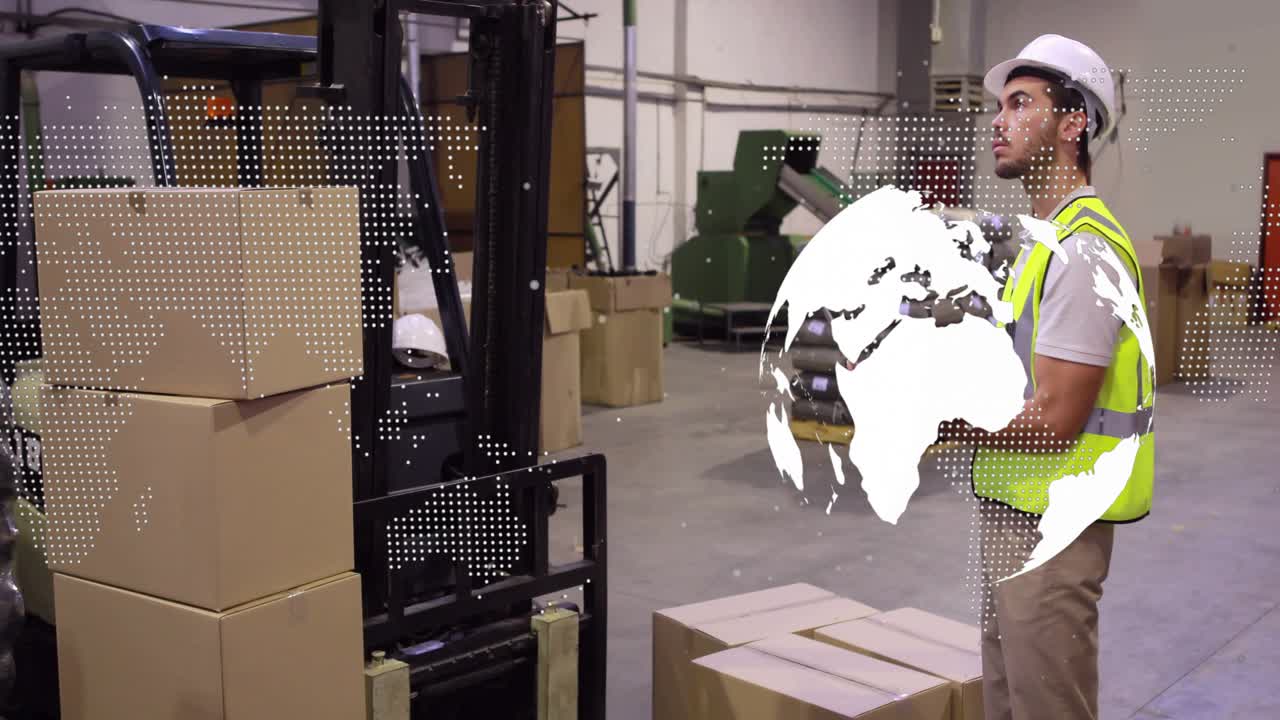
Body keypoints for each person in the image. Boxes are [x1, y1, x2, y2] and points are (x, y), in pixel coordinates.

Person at [939, 34, 1154, 720]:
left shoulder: (1084, 250)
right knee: (1008, 700)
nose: (999, 121)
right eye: (999, 106)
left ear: (1072, 124)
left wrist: (938, 421)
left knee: (1047, 706)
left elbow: (1058, 418)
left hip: (1053, 530)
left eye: (1022, 103)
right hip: (1017, 511)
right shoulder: (1047, 241)